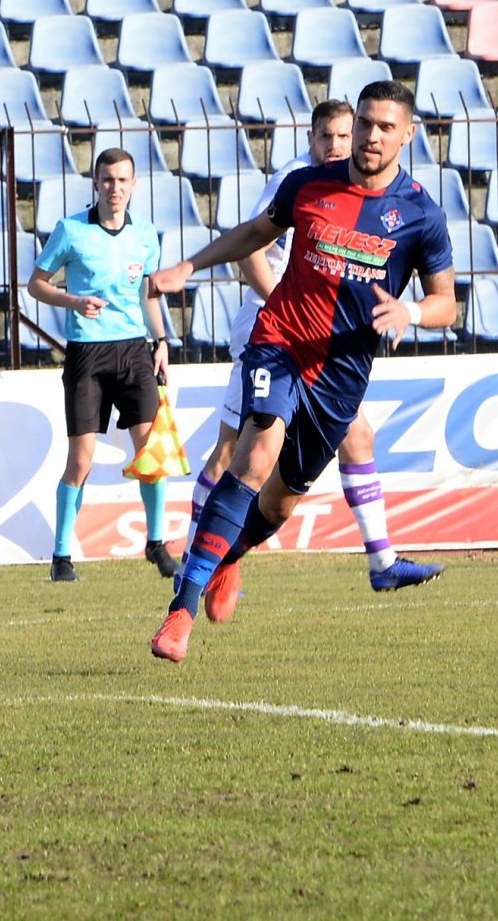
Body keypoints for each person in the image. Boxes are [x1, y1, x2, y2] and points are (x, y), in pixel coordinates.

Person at [147, 80, 453, 663]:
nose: (369, 136)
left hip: (340, 375)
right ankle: (179, 614)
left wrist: (410, 310)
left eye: (385, 127)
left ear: (407, 135)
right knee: (255, 451)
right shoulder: (308, 184)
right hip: (280, 340)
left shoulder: (420, 215)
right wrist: (189, 264)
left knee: (280, 505)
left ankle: (224, 559)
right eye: (364, 122)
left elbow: (447, 302)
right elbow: (255, 235)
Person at [26, 147, 177, 583]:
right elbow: (35, 284)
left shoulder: (145, 234)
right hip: (87, 353)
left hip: (134, 351)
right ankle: (61, 556)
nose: (115, 188)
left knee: (152, 454)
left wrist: (162, 340)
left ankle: (156, 543)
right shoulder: (71, 230)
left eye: (123, 180)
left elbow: (149, 292)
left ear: (134, 185)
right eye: (107, 180)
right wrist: (73, 300)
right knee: (82, 460)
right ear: (96, 183)